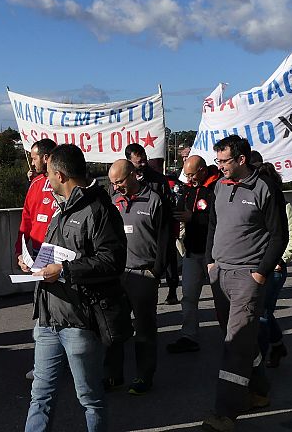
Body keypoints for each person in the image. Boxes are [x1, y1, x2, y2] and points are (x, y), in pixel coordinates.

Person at [18, 144, 127, 432]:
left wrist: (65, 271)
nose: (45, 180)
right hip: (48, 319)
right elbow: (54, 252)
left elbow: (112, 261)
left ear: (60, 175)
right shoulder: (61, 209)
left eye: (48, 174)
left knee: (89, 397)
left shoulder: (100, 210)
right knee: (40, 394)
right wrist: (34, 263)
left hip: (80, 321)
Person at [202, 136, 288, 432]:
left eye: (224, 161)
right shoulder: (219, 185)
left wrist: (260, 274)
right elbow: (213, 225)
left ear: (241, 159)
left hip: (247, 277)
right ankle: (259, 391)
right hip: (220, 273)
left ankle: (225, 412)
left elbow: (279, 236)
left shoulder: (265, 188)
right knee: (239, 339)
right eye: (217, 161)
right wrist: (210, 262)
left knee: (235, 345)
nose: (219, 166)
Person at [105, 159, 169, 395]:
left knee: (144, 329)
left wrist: (156, 271)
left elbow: (165, 238)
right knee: (113, 327)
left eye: (119, 181)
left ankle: (144, 376)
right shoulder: (113, 200)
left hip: (143, 274)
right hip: (116, 274)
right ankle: (113, 375)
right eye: (113, 183)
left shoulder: (154, 200)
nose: (116, 187)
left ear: (133, 174)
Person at [167, 155, 221, 354]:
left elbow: (219, 219)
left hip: (214, 254)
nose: (189, 179)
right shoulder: (188, 190)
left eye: (192, 175)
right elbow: (179, 211)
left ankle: (232, 336)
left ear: (203, 170)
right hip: (192, 251)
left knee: (221, 298)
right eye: (186, 175)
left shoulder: (217, 188)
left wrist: (194, 218)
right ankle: (188, 336)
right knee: (188, 297)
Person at [256, 162, 292, 369]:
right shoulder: (256, 204)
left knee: (261, 313)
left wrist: (280, 259)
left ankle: (258, 359)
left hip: (274, 269)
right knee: (262, 312)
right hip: (256, 267)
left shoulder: (284, 207)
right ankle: (277, 345)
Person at [125, 143, 179, 303]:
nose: (143, 164)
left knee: (168, 256)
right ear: (129, 161)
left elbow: (168, 203)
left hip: (160, 226)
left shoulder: (158, 179)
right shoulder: (122, 180)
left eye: (144, 160)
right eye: (138, 161)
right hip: (138, 229)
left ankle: (172, 289)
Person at [16, 139, 58, 258]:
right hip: (38, 249)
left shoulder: (65, 183)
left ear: (45, 158)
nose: (32, 164)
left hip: (61, 251)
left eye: (34, 159)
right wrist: (19, 250)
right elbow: (26, 219)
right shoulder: (35, 183)